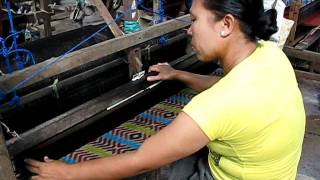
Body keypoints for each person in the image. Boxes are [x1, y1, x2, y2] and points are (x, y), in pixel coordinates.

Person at [25, 0, 306, 179]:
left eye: (194, 20)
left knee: (139, 170)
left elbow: (140, 161)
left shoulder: (217, 106)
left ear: (226, 25)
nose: (189, 29)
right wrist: (177, 74)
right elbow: (225, 85)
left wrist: (67, 172)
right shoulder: (269, 54)